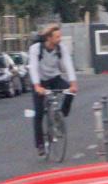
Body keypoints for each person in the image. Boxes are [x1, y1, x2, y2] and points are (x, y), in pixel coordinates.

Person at [30, 23, 77, 155]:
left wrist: (73, 84)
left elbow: (68, 64)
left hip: (54, 78)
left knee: (69, 92)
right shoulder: (36, 49)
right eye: (57, 37)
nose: (59, 39)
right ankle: (40, 144)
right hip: (40, 80)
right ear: (49, 38)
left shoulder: (61, 48)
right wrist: (37, 86)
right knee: (38, 113)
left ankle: (60, 114)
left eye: (60, 36)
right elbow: (33, 67)